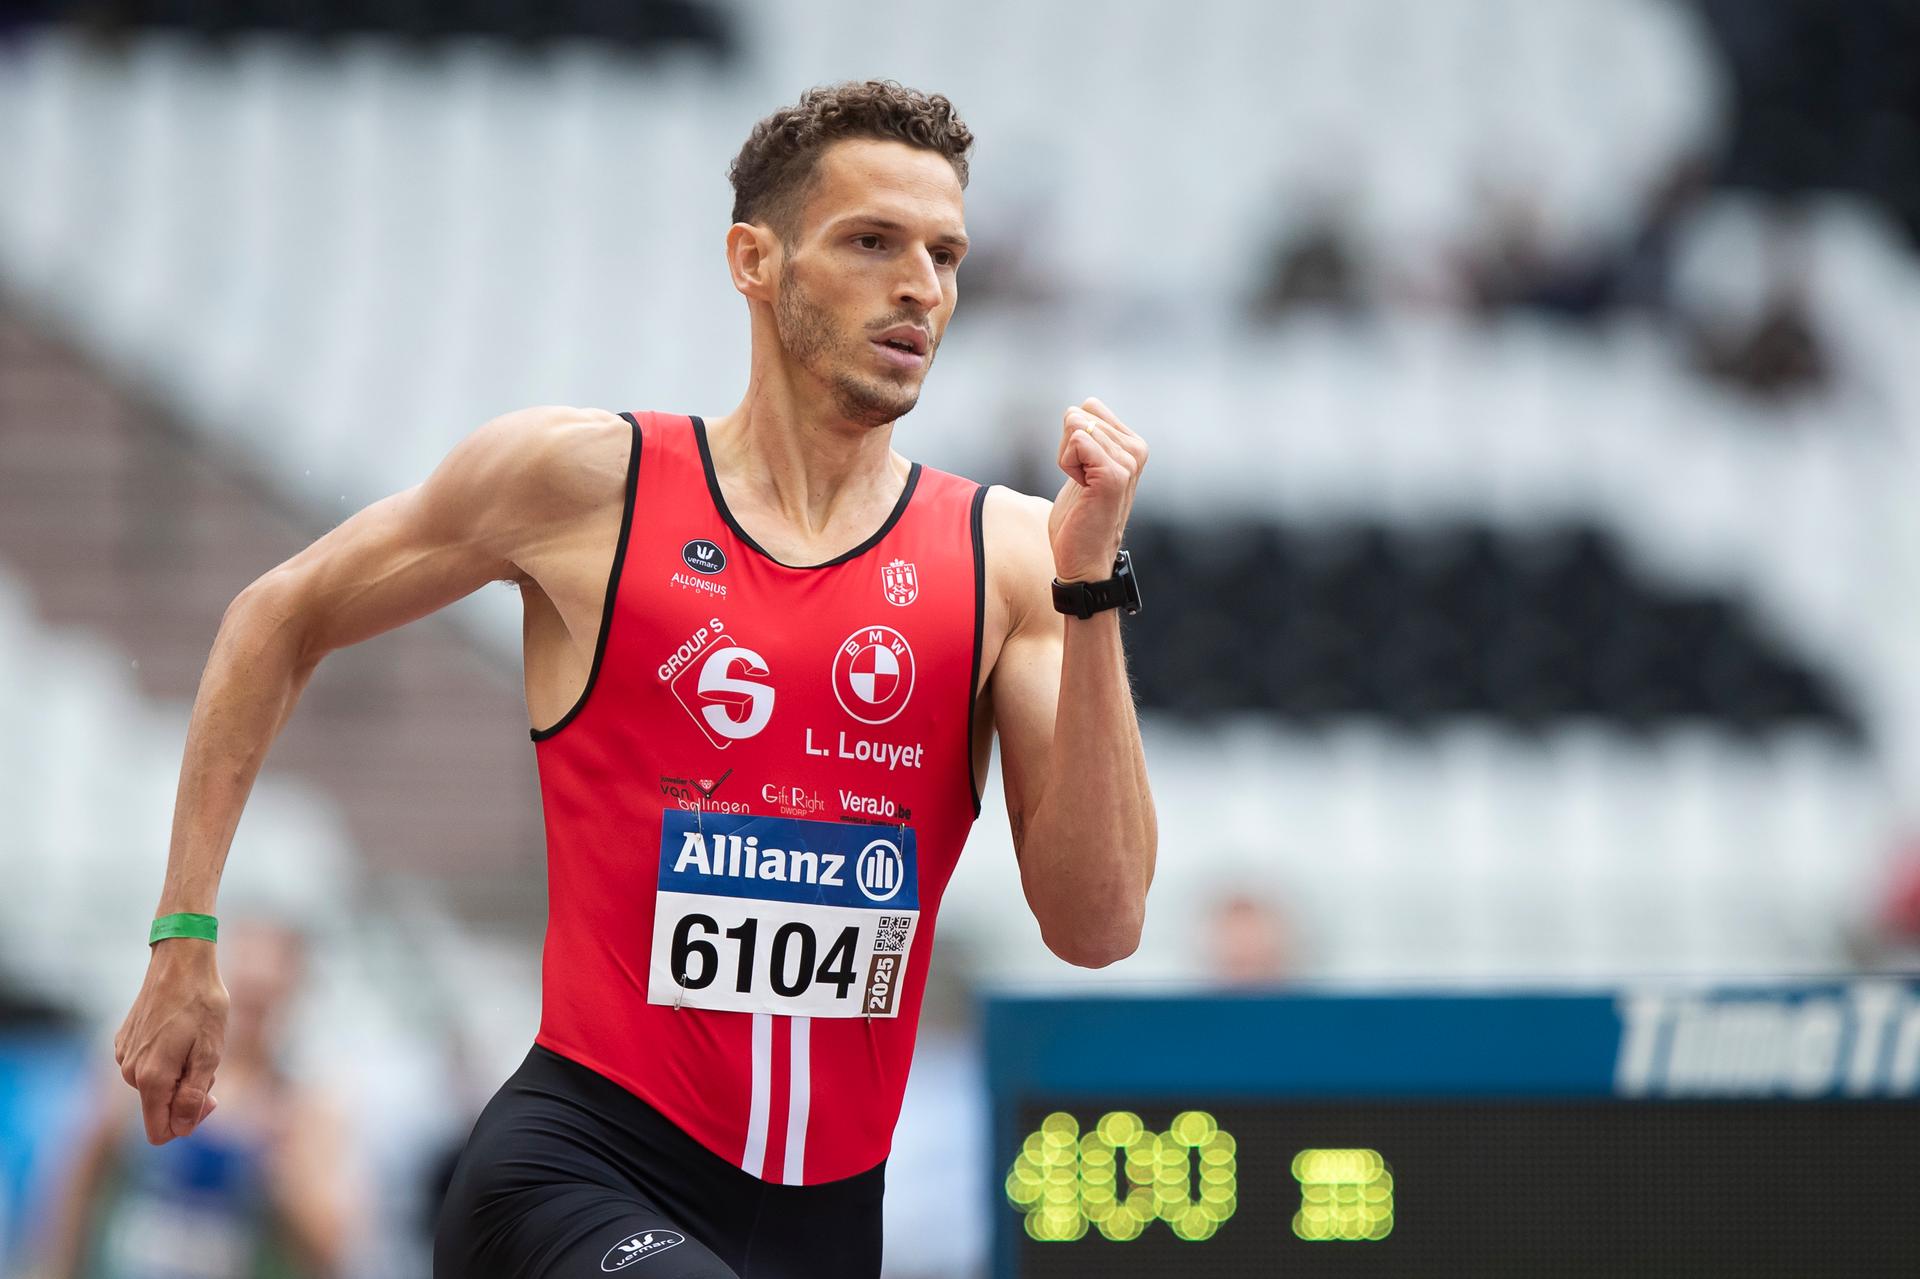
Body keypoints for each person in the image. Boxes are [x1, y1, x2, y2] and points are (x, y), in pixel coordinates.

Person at [111, 80, 1157, 1278]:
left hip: (826, 1226)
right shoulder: (584, 487)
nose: (921, 285)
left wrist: (1089, 593)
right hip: (578, 1169)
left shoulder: (1010, 556)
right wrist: (184, 933)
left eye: (946, 252)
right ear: (753, 261)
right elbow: (275, 614)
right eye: (871, 241)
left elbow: (1098, 923)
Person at [45, 920, 357, 1278]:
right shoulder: (148, 1069)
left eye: (265, 999)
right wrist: (56, 1267)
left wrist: (277, 1165)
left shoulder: (302, 1107)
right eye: (243, 990)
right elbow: (77, 1174)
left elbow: (333, 1248)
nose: (251, 1015)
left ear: (293, 997)